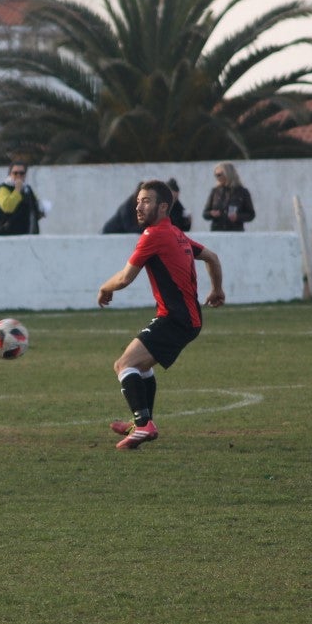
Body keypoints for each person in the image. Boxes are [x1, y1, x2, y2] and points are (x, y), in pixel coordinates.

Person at [97, 180, 224, 451]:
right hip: (186, 318)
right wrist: (217, 289)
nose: (138, 207)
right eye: (138, 201)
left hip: (175, 319)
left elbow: (124, 278)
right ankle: (142, 423)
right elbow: (212, 257)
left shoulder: (153, 235)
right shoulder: (176, 233)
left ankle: (143, 424)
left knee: (124, 365)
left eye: (146, 201)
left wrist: (104, 288)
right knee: (141, 366)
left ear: (163, 207)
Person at [103, 178, 191, 234]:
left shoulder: (173, 204)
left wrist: (187, 223)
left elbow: (178, 226)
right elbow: (129, 228)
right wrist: (152, 230)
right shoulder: (127, 208)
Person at [0, 162, 45, 235]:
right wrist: (17, 190)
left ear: (25, 175)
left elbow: (33, 206)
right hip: (8, 233)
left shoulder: (27, 189)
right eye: (15, 173)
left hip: (27, 232)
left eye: (21, 173)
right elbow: (8, 207)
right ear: (10, 174)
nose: (18, 176)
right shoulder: (3, 188)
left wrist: (40, 212)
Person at [203, 162, 255, 232]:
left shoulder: (242, 192)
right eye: (215, 175)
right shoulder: (215, 191)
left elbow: (251, 215)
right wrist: (211, 213)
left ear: (228, 173)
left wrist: (238, 217)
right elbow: (205, 214)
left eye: (219, 175)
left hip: (235, 232)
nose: (217, 177)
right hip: (217, 232)